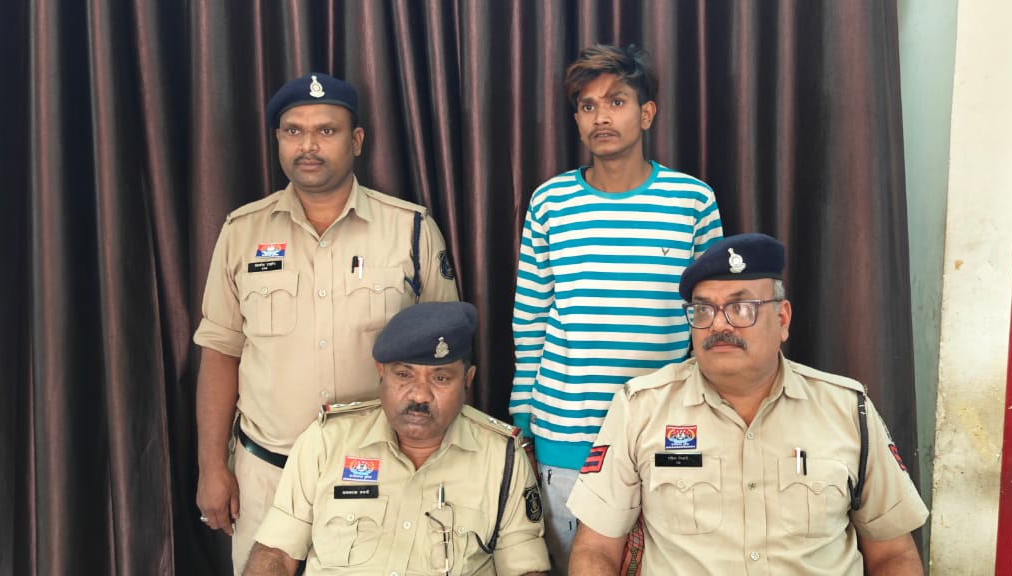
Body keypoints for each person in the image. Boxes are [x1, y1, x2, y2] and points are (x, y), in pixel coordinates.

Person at [193, 72, 460, 572]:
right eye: (293, 131)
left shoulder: (411, 229)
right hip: (267, 473)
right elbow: (220, 353)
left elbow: (447, 358)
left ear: (356, 141)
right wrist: (211, 465)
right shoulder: (241, 232)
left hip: (377, 474)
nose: (308, 145)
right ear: (278, 139)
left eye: (326, 130)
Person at [566, 233, 929, 575]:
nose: (718, 325)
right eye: (703, 310)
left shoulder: (847, 410)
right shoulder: (641, 408)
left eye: (741, 308)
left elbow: (893, 553)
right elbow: (596, 549)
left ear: (782, 319)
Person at [508, 44, 724, 573]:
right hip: (566, 434)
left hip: (665, 434)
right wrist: (524, 418)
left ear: (646, 113)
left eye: (616, 101)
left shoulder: (692, 200)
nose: (601, 116)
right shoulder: (549, 203)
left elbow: (711, 316)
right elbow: (531, 317)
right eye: (587, 106)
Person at [241, 301, 549, 575]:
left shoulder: (502, 458)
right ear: (381, 372)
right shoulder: (327, 442)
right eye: (403, 375)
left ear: (467, 380)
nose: (419, 395)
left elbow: (525, 569)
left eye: (440, 378)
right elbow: (276, 554)